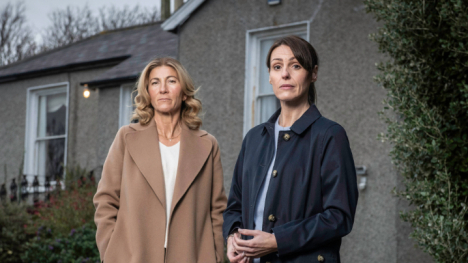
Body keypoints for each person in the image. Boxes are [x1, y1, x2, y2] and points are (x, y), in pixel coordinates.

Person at [223, 35, 359, 263]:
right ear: (269, 76)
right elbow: (234, 206)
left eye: (295, 66)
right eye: (277, 67)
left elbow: (339, 216)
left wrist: (277, 241)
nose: (285, 74)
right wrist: (233, 236)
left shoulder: (330, 135)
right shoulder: (254, 138)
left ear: (313, 73)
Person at [94, 57, 227, 263]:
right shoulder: (126, 137)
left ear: (184, 92)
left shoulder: (207, 144)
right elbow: (106, 200)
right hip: (133, 256)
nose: (163, 89)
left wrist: (216, 255)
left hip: (192, 256)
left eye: (171, 81)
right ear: (148, 92)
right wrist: (111, 251)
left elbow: (217, 209)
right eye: (155, 82)